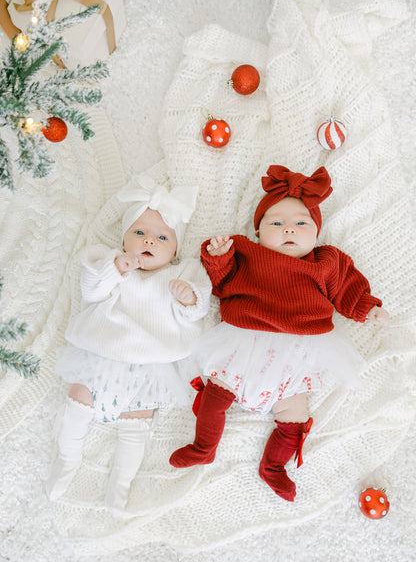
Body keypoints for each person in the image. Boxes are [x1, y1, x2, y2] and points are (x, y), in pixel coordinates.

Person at [169, 165, 389, 502]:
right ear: (257, 232)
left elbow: (348, 288)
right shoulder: (245, 252)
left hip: (298, 350)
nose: (289, 228)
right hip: (244, 337)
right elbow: (219, 281)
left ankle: (273, 466)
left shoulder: (326, 261)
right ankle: (204, 446)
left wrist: (367, 308)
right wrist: (218, 256)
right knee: (216, 393)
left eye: (301, 223)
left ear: (316, 232)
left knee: (294, 415)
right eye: (276, 223)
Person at [46, 175, 212, 513]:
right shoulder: (112, 264)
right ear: (123, 240)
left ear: (176, 250)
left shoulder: (181, 274)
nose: (149, 239)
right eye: (139, 232)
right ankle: (66, 460)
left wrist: (188, 298)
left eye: (162, 237)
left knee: (135, 424)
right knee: (77, 406)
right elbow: (90, 292)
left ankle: (120, 483)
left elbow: (196, 313)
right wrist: (114, 270)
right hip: (101, 353)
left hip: (151, 365)